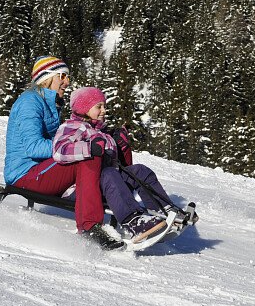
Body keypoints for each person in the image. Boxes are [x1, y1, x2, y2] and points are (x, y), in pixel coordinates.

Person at [3, 55, 119, 249]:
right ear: (46, 77)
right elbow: (33, 147)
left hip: (43, 170)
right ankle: (90, 226)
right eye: (62, 76)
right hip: (24, 174)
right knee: (85, 152)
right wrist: (73, 145)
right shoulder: (29, 102)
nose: (67, 82)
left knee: (87, 150)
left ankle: (125, 204)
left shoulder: (51, 104)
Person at [54, 86, 187, 244]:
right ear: (84, 108)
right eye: (98, 106)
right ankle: (134, 221)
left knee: (140, 171)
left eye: (104, 106)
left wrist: (121, 146)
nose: (104, 110)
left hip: (106, 183)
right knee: (109, 174)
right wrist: (89, 148)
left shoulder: (103, 132)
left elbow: (119, 166)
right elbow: (59, 150)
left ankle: (165, 210)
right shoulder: (74, 127)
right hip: (80, 188)